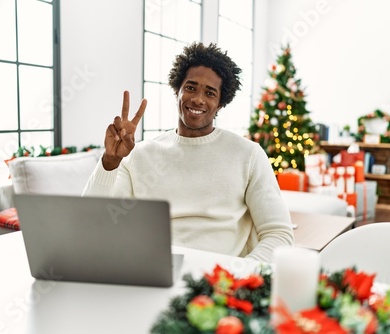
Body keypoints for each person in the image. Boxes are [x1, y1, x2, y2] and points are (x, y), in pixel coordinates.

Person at [83, 42, 294, 263]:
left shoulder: (248, 155)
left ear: (221, 103)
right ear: (178, 90)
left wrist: (238, 275)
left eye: (210, 93)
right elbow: (94, 222)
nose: (198, 99)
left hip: (220, 283)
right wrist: (110, 161)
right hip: (154, 272)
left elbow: (279, 235)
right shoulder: (138, 154)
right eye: (191, 88)